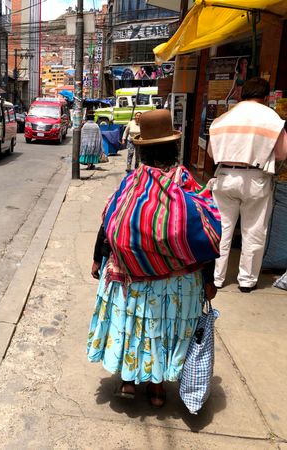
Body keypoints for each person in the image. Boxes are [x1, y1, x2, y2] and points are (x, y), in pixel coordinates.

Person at [86, 109, 221, 407]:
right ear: (174, 146)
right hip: (178, 281)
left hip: (131, 277)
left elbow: (110, 222)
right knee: (163, 329)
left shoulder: (132, 184)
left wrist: (98, 258)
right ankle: (158, 388)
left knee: (134, 325)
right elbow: (207, 233)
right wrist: (209, 280)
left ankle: (128, 381)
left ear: (141, 149)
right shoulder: (188, 184)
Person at [208, 77, 287, 292]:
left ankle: (216, 278)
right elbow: (281, 153)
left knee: (222, 229)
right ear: (266, 96)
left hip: (225, 176)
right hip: (256, 177)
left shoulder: (223, 118)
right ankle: (246, 281)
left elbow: (211, 153)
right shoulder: (271, 118)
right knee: (253, 230)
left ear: (242, 93)